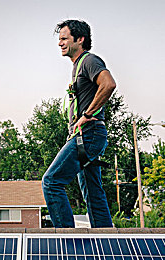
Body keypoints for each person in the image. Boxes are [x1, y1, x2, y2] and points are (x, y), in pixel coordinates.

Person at [42, 19, 116, 228]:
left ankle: (66, 239)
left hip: (90, 134)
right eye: (59, 39)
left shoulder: (90, 61)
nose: (60, 43)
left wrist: (87, 114)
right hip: (87, 137)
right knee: (93, 194)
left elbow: (109, 84)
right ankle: (107, 243)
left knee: (51, 182)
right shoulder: (77, 67)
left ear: (80, 39)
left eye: (64, 38)